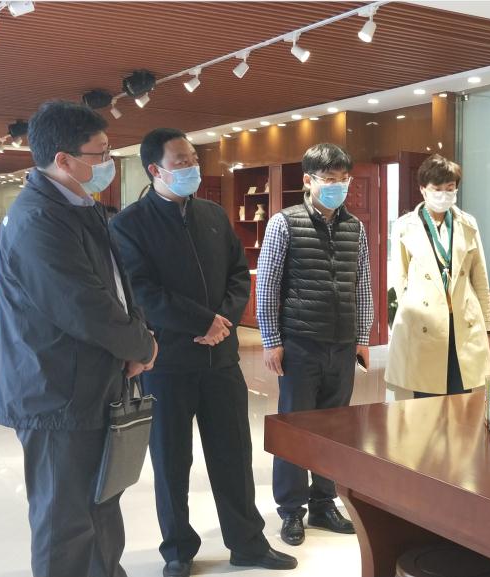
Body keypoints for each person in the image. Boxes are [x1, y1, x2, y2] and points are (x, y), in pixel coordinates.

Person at [109, 129, 296, 576]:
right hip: (166, 362)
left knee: (234, 454)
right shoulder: (129, 224)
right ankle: (177, 549)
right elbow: (142, 291)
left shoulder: (212, 214)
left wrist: (222, 322)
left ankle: (247, 543)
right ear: (155, 169)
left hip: (221, 360)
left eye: (193, 158)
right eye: (181, 161)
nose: (192, 167)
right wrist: (200, 322)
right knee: (171, 460)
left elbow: (239, 275)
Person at [0, 100, 158, 577]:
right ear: (63, 159)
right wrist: (142, 346)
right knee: (64, 522)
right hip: (54, 392)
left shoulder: (79, 207)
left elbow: (118, 286)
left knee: (99, 504)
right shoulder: (37, 219)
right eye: (100, 153)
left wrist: (136, 339)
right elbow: (82, 305)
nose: (107, 162)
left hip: (90, 383)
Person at [256, 143, 371, 547]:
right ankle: (291, 510)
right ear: (308, 180)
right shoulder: (283, 223)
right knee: (296, 428)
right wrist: (271, 340)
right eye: (330, 179)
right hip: (300, 343)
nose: (338, 186)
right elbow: (267, 285)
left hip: (341, 344)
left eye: (344, 179)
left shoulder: (355, 227)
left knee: (334, 429)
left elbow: (363, 284)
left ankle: (324, 502)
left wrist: (362, 337)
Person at [386, 154, 490, 397]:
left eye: (450, 188)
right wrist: (409, 320)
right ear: (423, 189)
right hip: (424, 323)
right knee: (426, 399)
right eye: (437, 189)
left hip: (462, 321)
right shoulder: (404, 226)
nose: (444, 194)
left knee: (462, 398)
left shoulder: (467, 223)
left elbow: (480, 277)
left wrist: (487, 327)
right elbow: (400, 279)